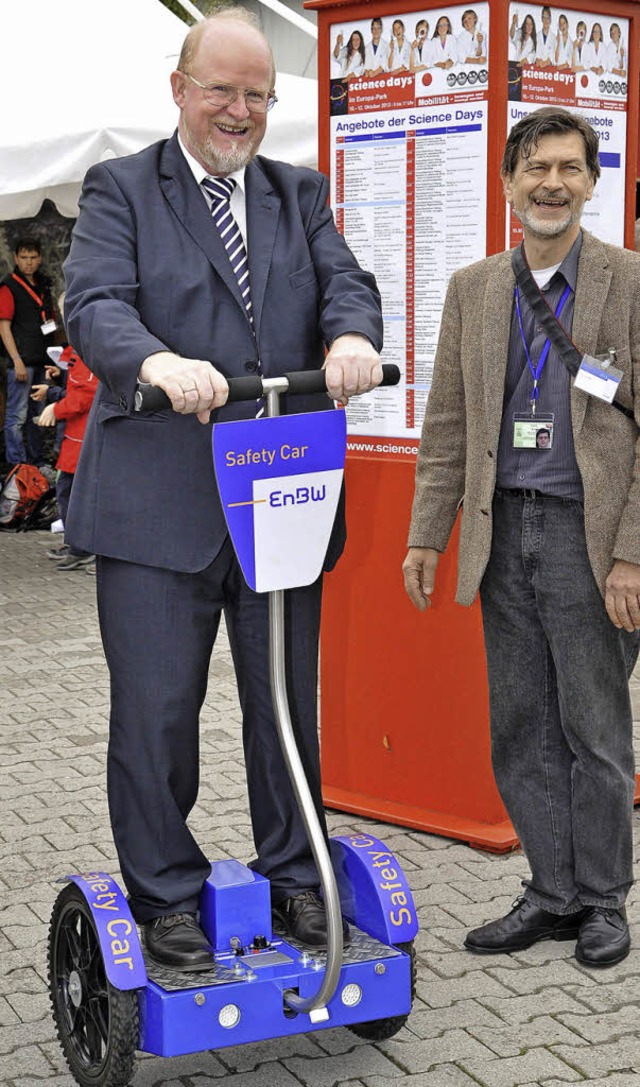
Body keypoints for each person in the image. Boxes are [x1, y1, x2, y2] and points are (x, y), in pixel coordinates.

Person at [63, 7, 382, 972]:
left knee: (285, 704)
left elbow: (346, 281)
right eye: (221, 90)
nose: (238, 111)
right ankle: (163, 891)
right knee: (157, 712)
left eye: (256, 94)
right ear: (180, 89)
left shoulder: (298, 192)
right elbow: (93, 303)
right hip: (159, 509)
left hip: (276, 499)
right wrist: (156, 359)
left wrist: (352, 335)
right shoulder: (121, 188)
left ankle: (296, 875)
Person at [403, 107, 640, 969]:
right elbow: (449, 423)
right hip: (503, 535)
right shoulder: (473, 288)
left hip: (590, 540)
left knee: (596, 729)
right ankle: (550, 890)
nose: (552, 182)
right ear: (508, 183)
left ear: (590, 181)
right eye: (536, 167)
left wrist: (631, 554)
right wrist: (427, 535)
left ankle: (603, 898)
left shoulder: (629, 281)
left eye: (570, 168)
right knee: (522, 724)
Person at [35, 341, 98, 571]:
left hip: (81, 439)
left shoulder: (86, 353)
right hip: (78, 437)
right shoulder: (83, 352)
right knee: (71, 493)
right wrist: (60, 377)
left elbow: (84, 396)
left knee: (72, 494)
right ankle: (79, 546)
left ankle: (83, 549)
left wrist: (55, 407)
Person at [0, 238, 57, 469]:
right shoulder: (8, 287)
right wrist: (16, 360)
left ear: (40, 258)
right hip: (22, 363)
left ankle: (37, 461)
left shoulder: (43, 285)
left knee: (38, 415)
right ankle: (17, 466)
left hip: (43, 360)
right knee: (17, 416)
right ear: (16, 258)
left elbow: (50, 323)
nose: (29, 263)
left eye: (33, 257)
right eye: (24, 258)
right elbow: (3, 327)